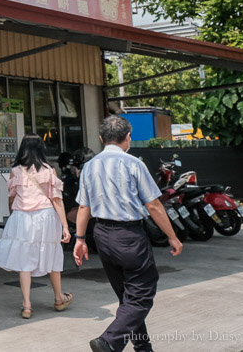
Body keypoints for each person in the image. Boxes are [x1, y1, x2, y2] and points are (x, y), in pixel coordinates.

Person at [73, 115, 182, 352]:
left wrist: (80, 239)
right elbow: (153, 205)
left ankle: (143, 348)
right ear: (128, 138)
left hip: (101, 235)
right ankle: (109, 341)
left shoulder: (88, 167)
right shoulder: (134, 164)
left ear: (102, 138)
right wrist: (172, 236)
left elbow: (84, 207)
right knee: (141, 293)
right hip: (129, 236)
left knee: (128, 298)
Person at [0, 134, 73, 319]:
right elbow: (57, 200)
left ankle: (27, 306)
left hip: (22, 217)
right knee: (52, 256)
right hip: (45, 217)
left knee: (23, 260)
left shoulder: (15, 170)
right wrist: (65, 226)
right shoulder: (49, 170)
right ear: (41, 148)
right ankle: (58, 298)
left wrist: (13, 215)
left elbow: (11, 197)